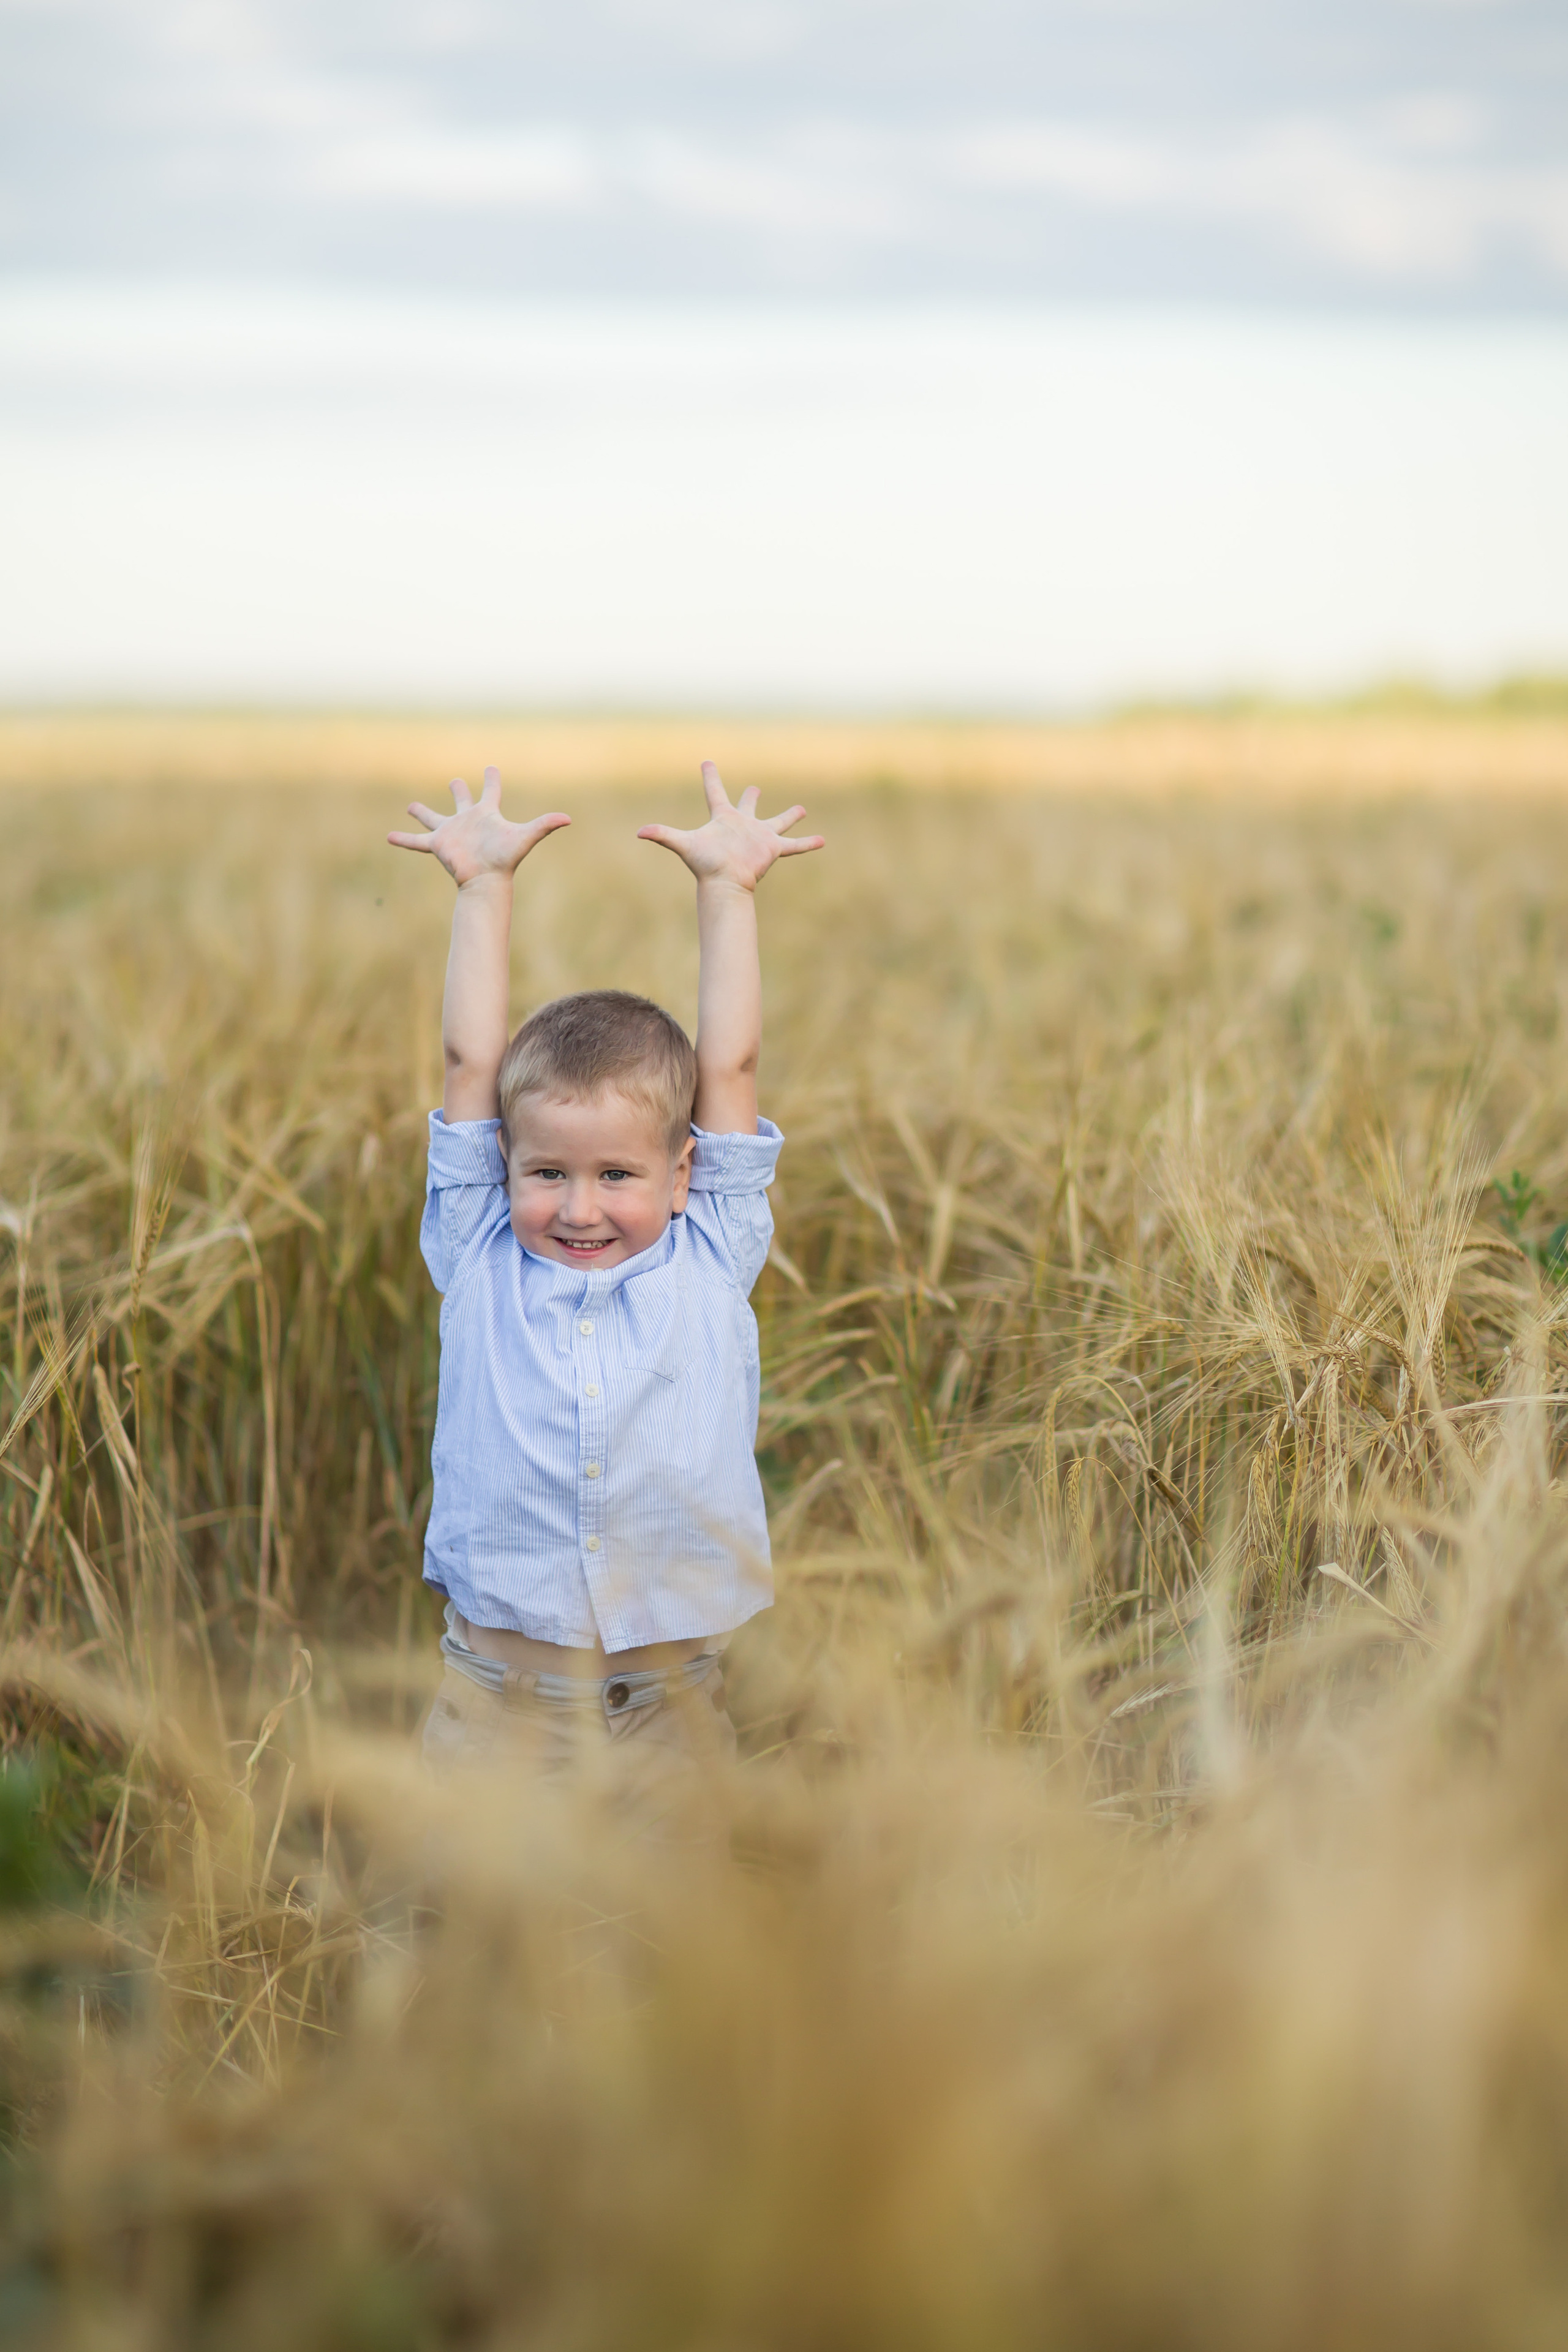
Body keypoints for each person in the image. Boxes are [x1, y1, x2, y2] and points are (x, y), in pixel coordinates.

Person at [388, 760, 823, 1833]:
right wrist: (483, 887)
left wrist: (728, 891)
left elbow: (733, 1070)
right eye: (548, 1174)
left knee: (665, 1974)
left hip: (666, 1720)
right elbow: (466, 1061)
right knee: (471, 1958)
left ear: (682, 1178)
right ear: (505, 1172)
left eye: (618, 1176)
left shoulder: (711, 1251)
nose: (580, 1207)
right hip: (496, 1714)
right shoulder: (481, 1249)